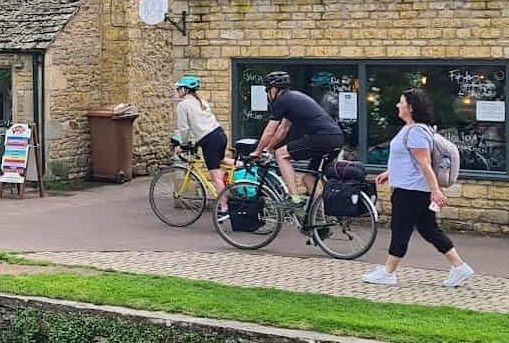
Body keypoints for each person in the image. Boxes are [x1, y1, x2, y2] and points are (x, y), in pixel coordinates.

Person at [363, 89, 475, 288]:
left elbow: (425, 164)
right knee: (428, 229)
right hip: (412, 188)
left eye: (401, 102)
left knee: (400, 230)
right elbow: (409, 159)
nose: (397, 105)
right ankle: (459, 267)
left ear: (411, 107)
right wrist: (389, 172)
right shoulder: (411, 129)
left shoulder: (416, 132)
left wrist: (435, 191)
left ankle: (388, 273)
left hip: (410, 191)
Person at [251, 70, 344, 205]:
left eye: (267, 90)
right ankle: (321, 217)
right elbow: (283, 130)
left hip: (322, 138)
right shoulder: (294, 98)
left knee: (281, 154)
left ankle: (294, 199)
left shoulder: (281, 101)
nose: (267, 94)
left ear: (274, 89)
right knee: (309, 179)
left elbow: (270, 130)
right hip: (336, 138)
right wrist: (268, 148)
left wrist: (257, 152)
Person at [171, 75, 229, 211]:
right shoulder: (202, 102)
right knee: (220, 161)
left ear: (185, 90)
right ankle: (244, 164)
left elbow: (184, 129)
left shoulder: (183, 105)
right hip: (219, 134)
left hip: (209, 140)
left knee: (215, 176)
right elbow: (202, 125)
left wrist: (182, 144)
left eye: (179, 88)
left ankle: (225, 207)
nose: (177, 91)